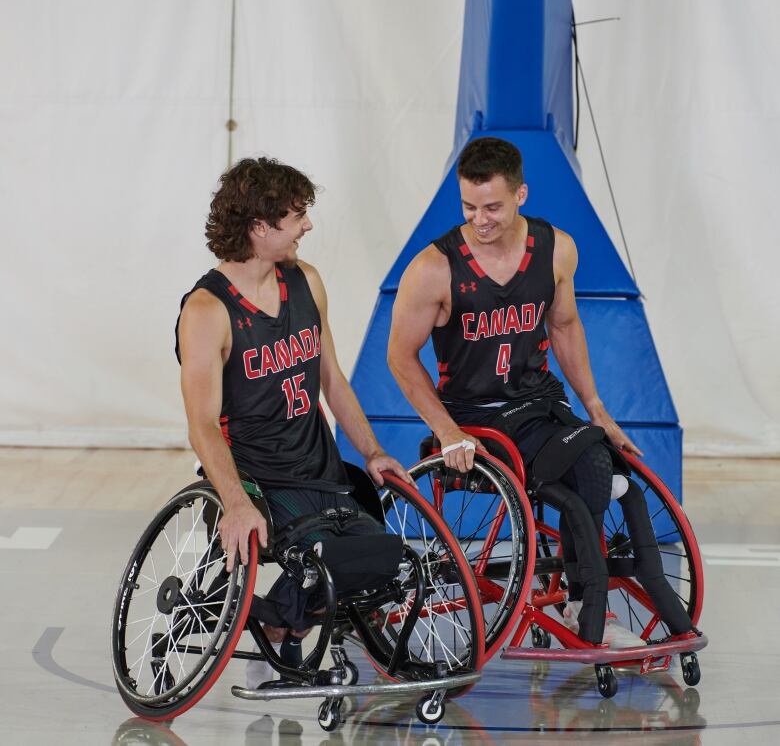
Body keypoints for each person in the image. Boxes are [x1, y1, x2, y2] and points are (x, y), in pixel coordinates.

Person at [387, 136, 693, 647]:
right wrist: (447, 431)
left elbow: (567, 327)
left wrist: (597, 410)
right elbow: (399, 357)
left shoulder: (556, 249)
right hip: (475, 414)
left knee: (602, 461)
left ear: (521, 195)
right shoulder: (434, 268)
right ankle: (582, 603)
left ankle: (581, 601)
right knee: (589, 471)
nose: (480, 219)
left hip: (538, 404)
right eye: (468, 207)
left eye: (492, 207)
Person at [175, 156, 411, 686]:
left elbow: (332, 379)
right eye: (296, 215)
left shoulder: (307, 281)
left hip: (318, 465)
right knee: (327, 563)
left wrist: (371, 450)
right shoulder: (207, 311)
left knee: (382, 555)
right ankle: (272, 617)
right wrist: (235, 503)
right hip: (259, 476)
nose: (307, 224)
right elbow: (202, 424)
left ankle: (284, 618)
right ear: (260, 228)